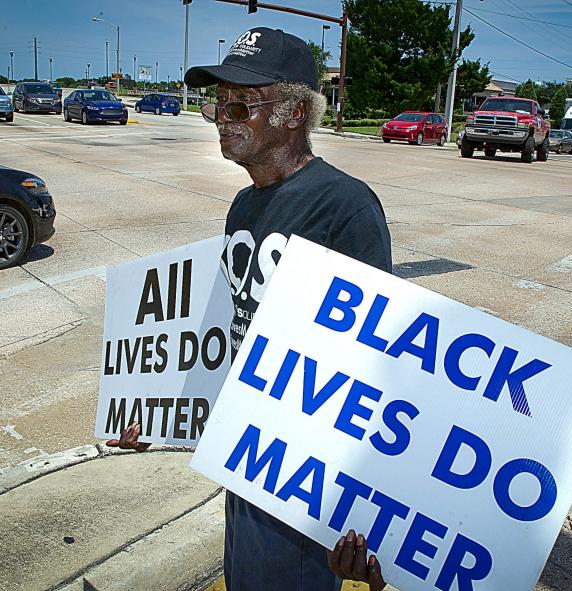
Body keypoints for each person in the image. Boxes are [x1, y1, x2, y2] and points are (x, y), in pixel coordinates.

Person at [109, 27, 391, 591]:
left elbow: (374, 363)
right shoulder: (243, 206)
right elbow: (228, 333)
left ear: (292, 114)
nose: (222, 115)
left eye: (240, 103)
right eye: (219, 103)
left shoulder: (347, 206)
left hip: (301, 476)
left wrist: (359, 517)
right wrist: (161, 416)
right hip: (246, 458)